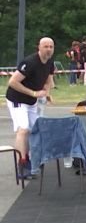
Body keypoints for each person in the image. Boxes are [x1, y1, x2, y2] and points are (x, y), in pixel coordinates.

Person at [6, 37, 56, 175]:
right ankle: (20, 163)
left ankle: (27, 158)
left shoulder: (50, 63)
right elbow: (13, 82)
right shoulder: (30, 62)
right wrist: (33, 93)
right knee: (23, 129)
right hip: (17, 99)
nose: (48, 49)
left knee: (33, 129)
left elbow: (48, 82)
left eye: (51, 47)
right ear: (38, 47)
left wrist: (46, 93)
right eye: (45, 46)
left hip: (32, 101)